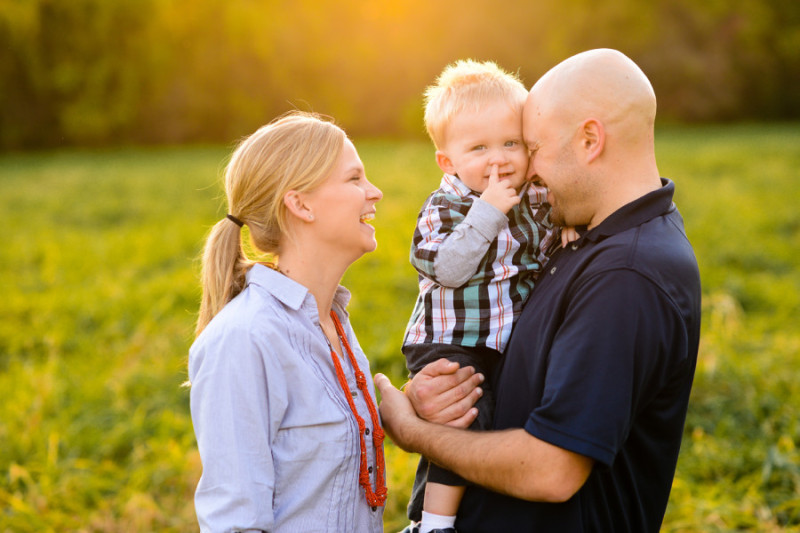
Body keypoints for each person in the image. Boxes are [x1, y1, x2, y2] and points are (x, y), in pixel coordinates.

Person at [377, 48, 702, 532]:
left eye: (530, 146)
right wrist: (439, 392)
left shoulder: (626, 277)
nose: (523, 169)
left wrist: (413, 431)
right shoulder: (580, 232)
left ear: (590, 139)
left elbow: (553, 471)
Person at [188, 111, 386, 532]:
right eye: (354, 179)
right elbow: (234, 524)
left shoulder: (332, 320)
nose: (375, 193)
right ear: (299, 204)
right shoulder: (245, 339)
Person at [400, 59, 576, 533]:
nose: (497, 159)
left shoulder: (534, 193)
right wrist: (487, 212)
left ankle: (487, 512)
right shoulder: (446, 207)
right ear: (448, 161)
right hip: (453, 338)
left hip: (505, 337)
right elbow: (448, 270)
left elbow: (553, 227)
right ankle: (433, 524)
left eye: (510, 143)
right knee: (462, 420)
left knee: (504, 422)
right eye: (478, 147)